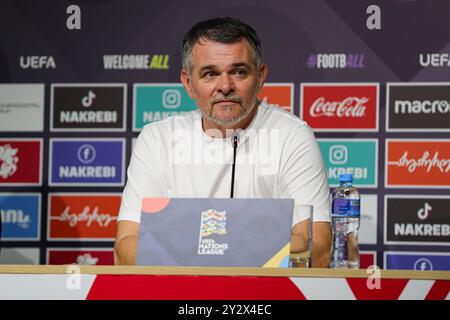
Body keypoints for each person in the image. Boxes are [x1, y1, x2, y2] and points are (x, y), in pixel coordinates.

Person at [114, 17, 332, 267]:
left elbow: (318, 251)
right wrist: (251, 243)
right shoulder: (157, 139)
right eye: (210, 74)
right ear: (188, 83)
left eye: (239, 72)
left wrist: (194, 243)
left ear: (260, 76)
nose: (225, 86)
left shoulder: (292, 135)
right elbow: (126, 250)